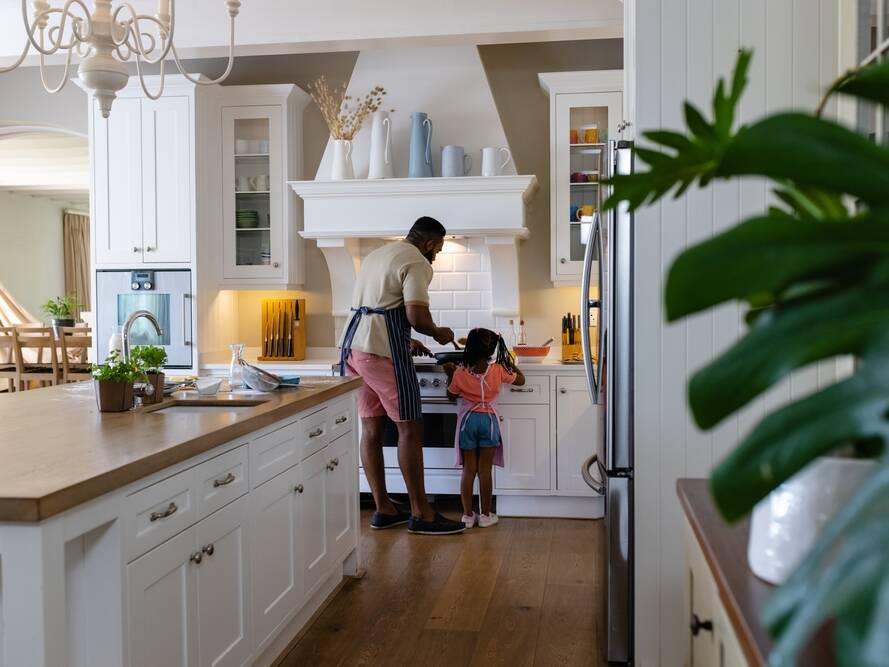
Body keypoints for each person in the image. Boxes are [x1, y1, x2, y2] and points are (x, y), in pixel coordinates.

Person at [339, 216, 466, 535]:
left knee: (371, 428)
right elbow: (417, 315)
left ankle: (383, 508)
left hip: (353, 348)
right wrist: (437, 332)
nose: (435, 255)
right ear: (429, 243)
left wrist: (407, 338)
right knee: (410, 428)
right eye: (436, 249)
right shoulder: (418, 262)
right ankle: (422, 514)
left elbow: (375, 307)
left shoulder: (379, 254)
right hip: (381, 353)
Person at [443, 328, 525, 528]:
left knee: (468, 469)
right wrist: (509, 362)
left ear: (469, 347)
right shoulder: (497, 370)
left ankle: (467, 516)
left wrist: (450, 373)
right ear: (492, 350)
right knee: (485, 470)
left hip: (468, 423)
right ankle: (486, 515)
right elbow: (521, 381)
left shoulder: (460, 372)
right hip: (488, 422)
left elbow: (451, 396)